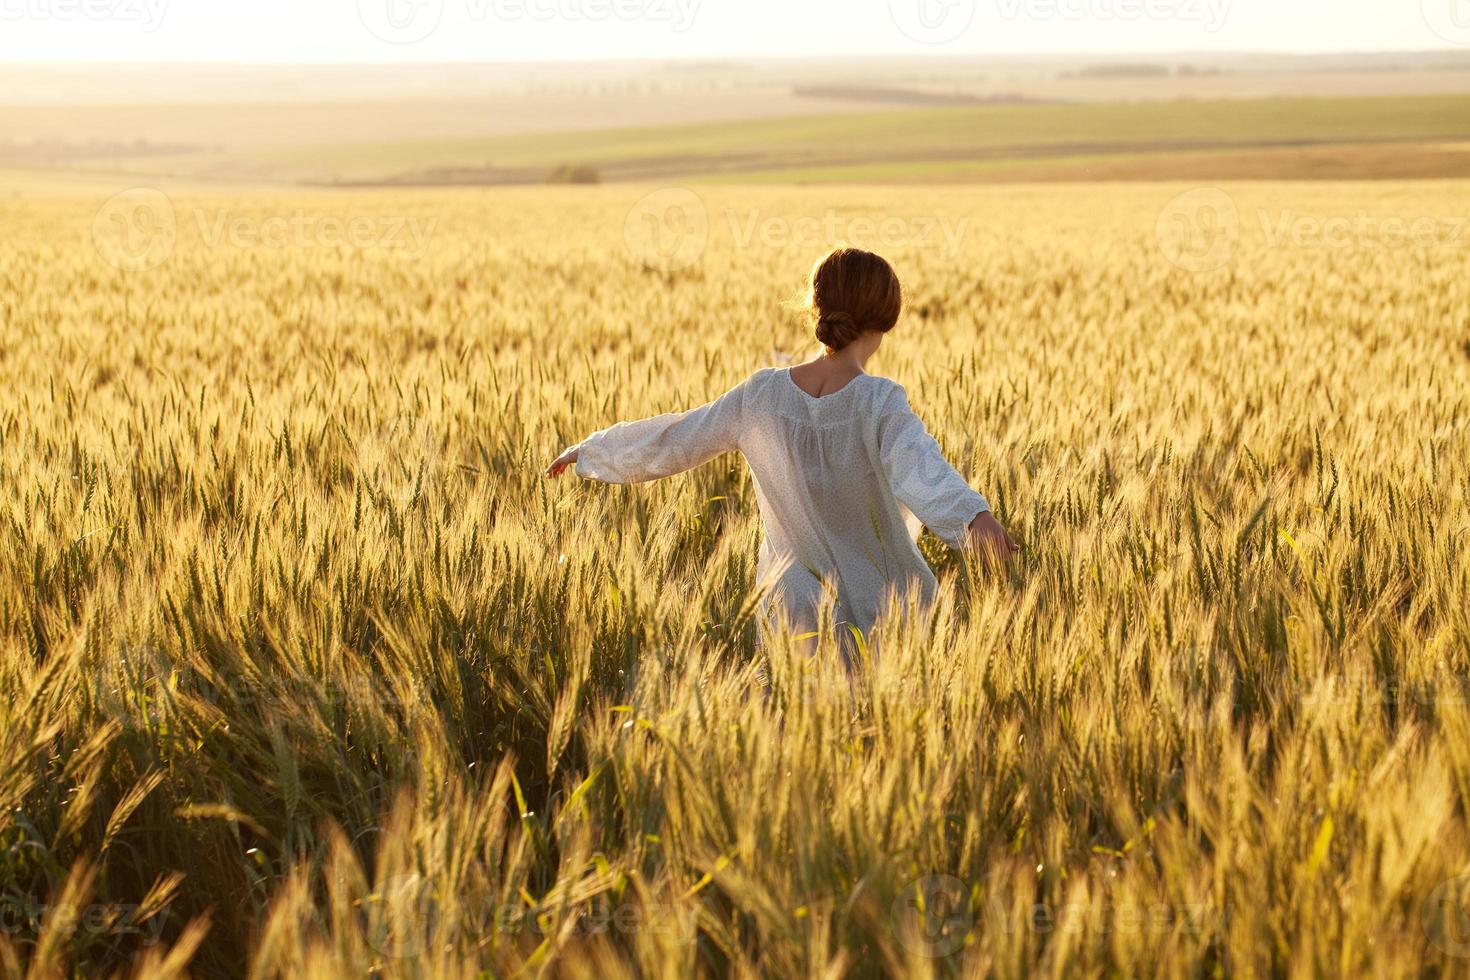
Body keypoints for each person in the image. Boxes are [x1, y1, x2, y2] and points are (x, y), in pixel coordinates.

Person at [546, 247, 1017, 643]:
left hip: (796, 615)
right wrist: (977, 523)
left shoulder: (761, 395)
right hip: (887, 612)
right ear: (887, 317)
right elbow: (923, 473)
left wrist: (592, 452)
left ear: (816, 308)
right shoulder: (879, 402)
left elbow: (677, 439)